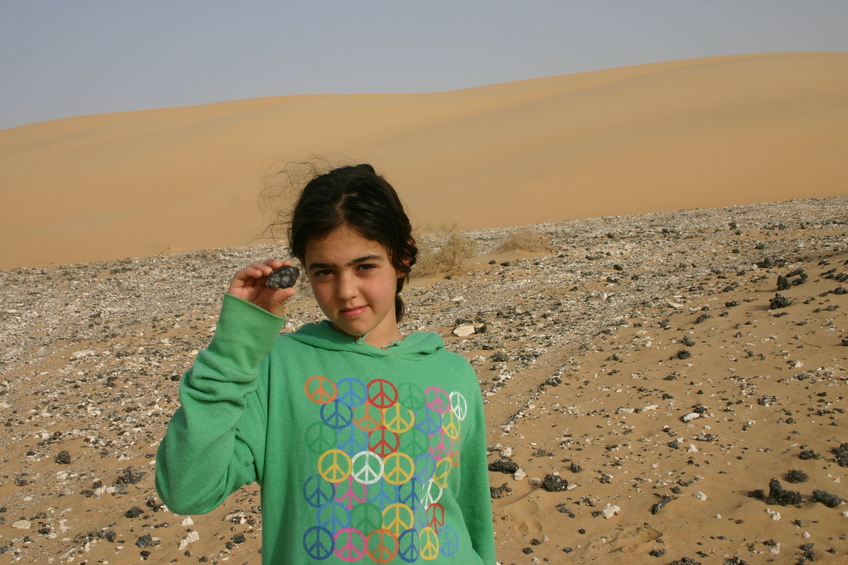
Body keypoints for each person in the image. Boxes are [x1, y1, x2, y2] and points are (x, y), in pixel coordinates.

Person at [155, 163, 496, 564]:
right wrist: (235, 347)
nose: (346, 291)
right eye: (325, 272)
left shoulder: (453, 374)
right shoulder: (277, 369)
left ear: (402, 258)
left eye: (365, 266)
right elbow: (189, 489)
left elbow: (471, 513)